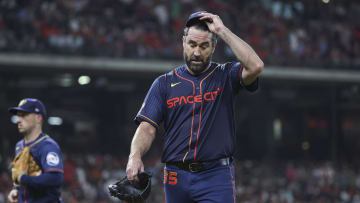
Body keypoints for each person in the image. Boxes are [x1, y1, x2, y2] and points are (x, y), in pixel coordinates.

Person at [126, 11, 264, 202]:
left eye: (204, 46)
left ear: (214, 46)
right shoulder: (164, 83)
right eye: (192, 44)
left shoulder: (226, 76)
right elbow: (147, 128)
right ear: (183, 42)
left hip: (216, 175)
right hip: (176, 177)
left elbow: (256, 66)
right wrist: (135, 156)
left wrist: (222, 30)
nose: (197, 52)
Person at [7, 98, 64, 203]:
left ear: (38, 118)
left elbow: (55, 178)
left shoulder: (47, 146)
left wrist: (24, 179)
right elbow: (20, 178)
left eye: (24, 115)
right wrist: (16, 190)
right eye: (18, 115)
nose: (19, 120)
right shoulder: (19, 146)